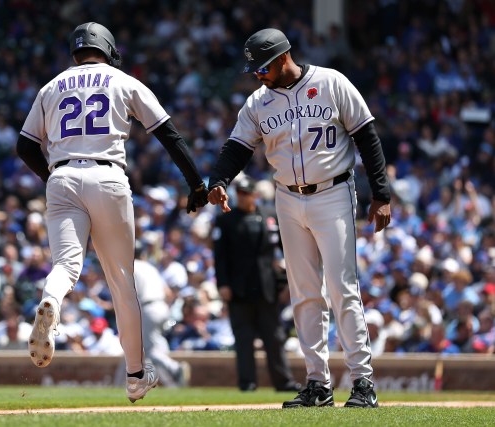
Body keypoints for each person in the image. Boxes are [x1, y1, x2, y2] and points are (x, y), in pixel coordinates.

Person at [16, 22, 209, 403]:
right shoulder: (123, 81)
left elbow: (24, 146)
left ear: (75, 52)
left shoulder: (50, 87)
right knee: (122, 282)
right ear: (108, 49)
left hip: (62, 174)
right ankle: (137, 377)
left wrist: (54, 176)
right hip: (108, 177)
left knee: (66, 266)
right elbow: (169, 134)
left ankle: (51, 300)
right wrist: (196, 183)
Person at [207, 28, 391, 408]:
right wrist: (220, 180)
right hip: (287, 198)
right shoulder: (258, 102)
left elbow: (366, 135)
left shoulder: (330, 82)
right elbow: (237, 148)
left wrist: (381, 193)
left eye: (262, 67)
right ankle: (317, 384)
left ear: (282, 58)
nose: (258, 74)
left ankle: (363, 382)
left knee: (342, 288)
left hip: (334, 192)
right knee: (305, 294)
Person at [212, 175, 301, 392]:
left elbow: (285, 248)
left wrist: (288, 280)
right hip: (238, 288)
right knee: (243, 339)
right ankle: (247, 382)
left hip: (266, 286)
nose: (242, 197)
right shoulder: (226, 220)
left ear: (255, 195)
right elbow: (220, 256)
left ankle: (283, 381)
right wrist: (223, 284)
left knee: (275, 337)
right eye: (239, 193)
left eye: (246, 193)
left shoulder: (269, 216)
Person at [133, 240, 190, 387]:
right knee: (157, 346)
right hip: (162, 307)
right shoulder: (150, 267)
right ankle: (171, 384)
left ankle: (175, 368)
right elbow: (168, 292)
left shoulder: (132, 267)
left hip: (148, 308)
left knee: (148, 349)